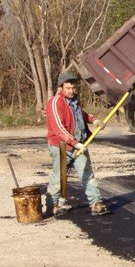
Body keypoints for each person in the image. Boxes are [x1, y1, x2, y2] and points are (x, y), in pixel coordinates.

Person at [45, 68, 109, 216]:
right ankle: (52, 205)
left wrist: (94, 120)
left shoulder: (74, 100)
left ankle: (96, 204)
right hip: (61, 146)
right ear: (61, 87)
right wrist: (74, 143)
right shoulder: (55, 103)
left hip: (79, 144)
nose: (71, 91)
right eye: (68, 88)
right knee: (59, 177)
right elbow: (58, 128)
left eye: (74, 88)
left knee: (87, 174)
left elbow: (81, 114)